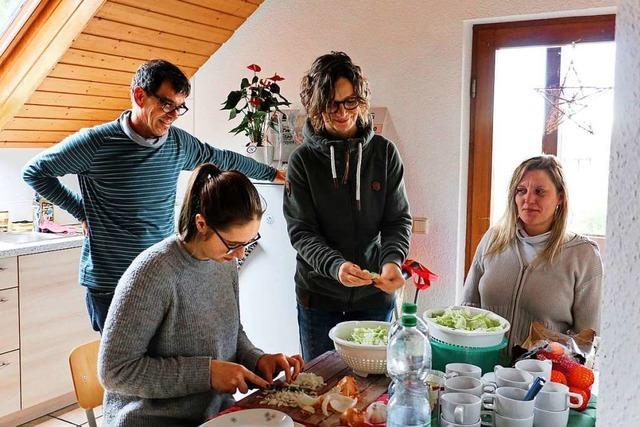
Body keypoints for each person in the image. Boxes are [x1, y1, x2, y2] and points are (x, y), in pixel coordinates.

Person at [22, 59, 285, 333]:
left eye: (180, 107)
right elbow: (35, 172)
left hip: (160, 276)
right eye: (166, 104)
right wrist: (81, 211)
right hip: (112, 282)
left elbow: (220, 158)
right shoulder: (95, 143)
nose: (172, 115)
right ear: (139, 95)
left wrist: (272, 174)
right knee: (121, 370)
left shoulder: (178, 143)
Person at [98, 163, 303, 426]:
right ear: (201, 224)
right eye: (233, 244)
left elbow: (231, 333)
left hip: (213, 414)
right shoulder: (153, 273)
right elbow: (115, 372)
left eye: (248, 242)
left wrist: (257, 359)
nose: (240, 254)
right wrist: (206, 373)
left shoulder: (224, 263)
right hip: (149, 420)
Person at [283, 52, 412, 362]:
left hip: (373, 296)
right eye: (331, 104)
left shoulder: (383, 154)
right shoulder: (302, 161)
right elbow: (302, 233)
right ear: (315, 106)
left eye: (350, 101)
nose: (342, 113)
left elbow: (397, 221)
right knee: (321, 388)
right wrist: (336, 266)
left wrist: (393, 261)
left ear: (361, 99)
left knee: (373, 386)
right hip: (319, 297)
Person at [462, 155, 603, 350]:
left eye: (540, 192)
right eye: (521, 191)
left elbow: (588, 338)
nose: (528, 199)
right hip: (484, 370)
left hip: (545, 375)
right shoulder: (493, 239)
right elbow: (467, 307)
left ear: (560, 197)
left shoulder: (583, 254)